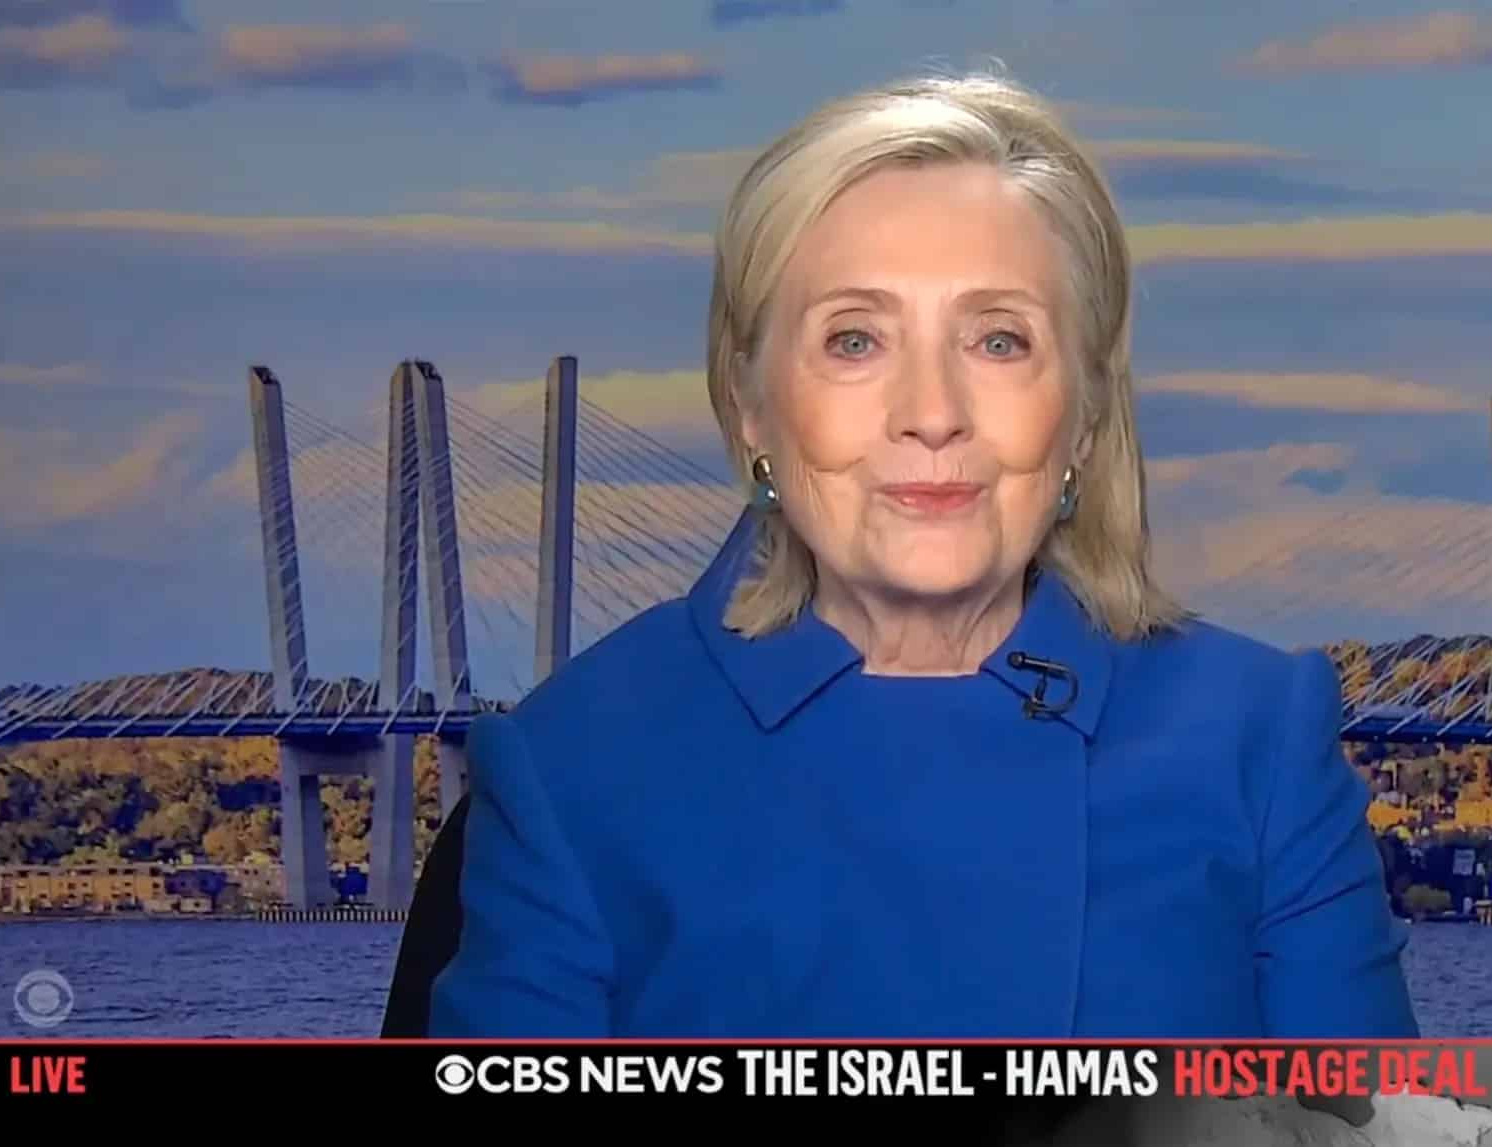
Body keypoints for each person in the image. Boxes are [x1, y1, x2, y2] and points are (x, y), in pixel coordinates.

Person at [423, 70, 1419, 1040]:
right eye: (854, 341)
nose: (932, 413)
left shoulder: (1259, 745)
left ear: (1083, 411)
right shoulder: (576, 768)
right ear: (749, 401)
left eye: (999, 341)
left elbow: (1366, 1116)